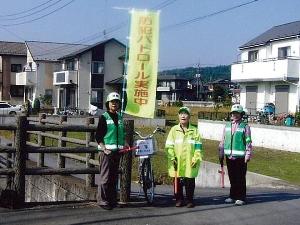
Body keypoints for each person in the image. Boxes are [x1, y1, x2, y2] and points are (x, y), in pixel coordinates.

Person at [95, 92, 128, 210]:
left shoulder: (119, 117)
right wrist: (104, 148)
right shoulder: (104, 116)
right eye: (112, 102)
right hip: (106, 152)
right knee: (105, 177)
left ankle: (112, 200)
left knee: (114, 177)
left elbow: (122, 134)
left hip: (117, 152)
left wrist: (125, 145)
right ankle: (102, 201)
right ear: (108, 103)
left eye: (116, 102)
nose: (114, 104)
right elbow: (98, 135)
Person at [165, 106, 203, 208]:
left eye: (185, 113)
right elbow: (169, 146)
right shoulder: (174, 130)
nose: (183, 115)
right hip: (176, 161)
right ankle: (179, 199)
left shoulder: (195, 131)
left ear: (189, 116)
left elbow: (198, 147)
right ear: (178, 116)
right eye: (181, 113)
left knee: (189, 181)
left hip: (190, 161)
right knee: (177, 181)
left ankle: (190, 200)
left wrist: (196, 158)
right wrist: (172, 157)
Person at [219, 104, 253, 206]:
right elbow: (223, 140)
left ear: (241, 114)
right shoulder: (227, 126)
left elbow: (248, 142)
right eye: (234, 113)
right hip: (229, 156)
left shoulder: (245, 127)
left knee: (240, 178)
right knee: (232, 177)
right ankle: (232, 196)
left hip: (241, 158)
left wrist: (248, 154)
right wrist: (221, 152)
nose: (235, 115)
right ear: (231, 114)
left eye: (237, 113)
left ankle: (241, 197)